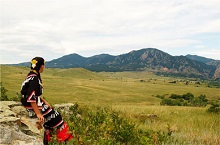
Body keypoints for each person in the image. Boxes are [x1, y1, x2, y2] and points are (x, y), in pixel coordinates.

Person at [20, 57, 73, 145]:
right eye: (44, 65)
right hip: (31, 105)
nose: (44, 67)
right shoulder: (35, 79)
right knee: (57, 118)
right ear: (41, 66)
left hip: (33, 102)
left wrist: (44, 101)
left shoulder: (31, 75)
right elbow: (31, 97)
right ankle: (63, 139)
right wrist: (38, 113)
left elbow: (34, 94)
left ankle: (49, 139)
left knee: (51, 117)